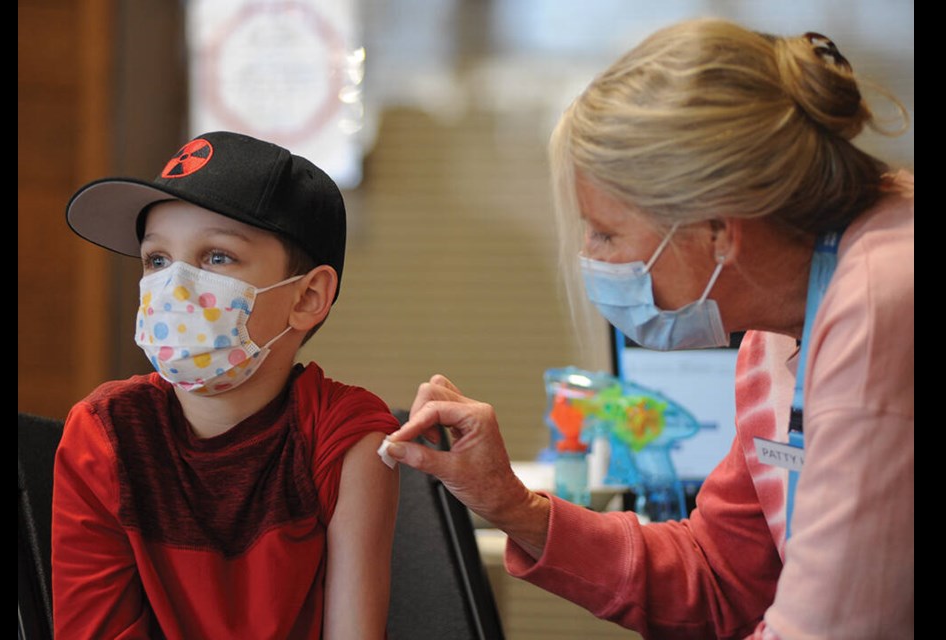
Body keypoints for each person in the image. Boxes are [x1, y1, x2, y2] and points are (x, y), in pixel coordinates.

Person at [385, 18, 913, 640]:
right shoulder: (774, 335)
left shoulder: (882, 303)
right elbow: (720, 577)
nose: (593, 257)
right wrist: (511, 505)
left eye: (606, 232)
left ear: (717, 229)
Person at [52, 131, 400, 639]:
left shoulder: (343, 437)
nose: (174, 286)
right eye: (157, 260)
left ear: (308, 297)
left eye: (217, 257)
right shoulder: (106, 434)